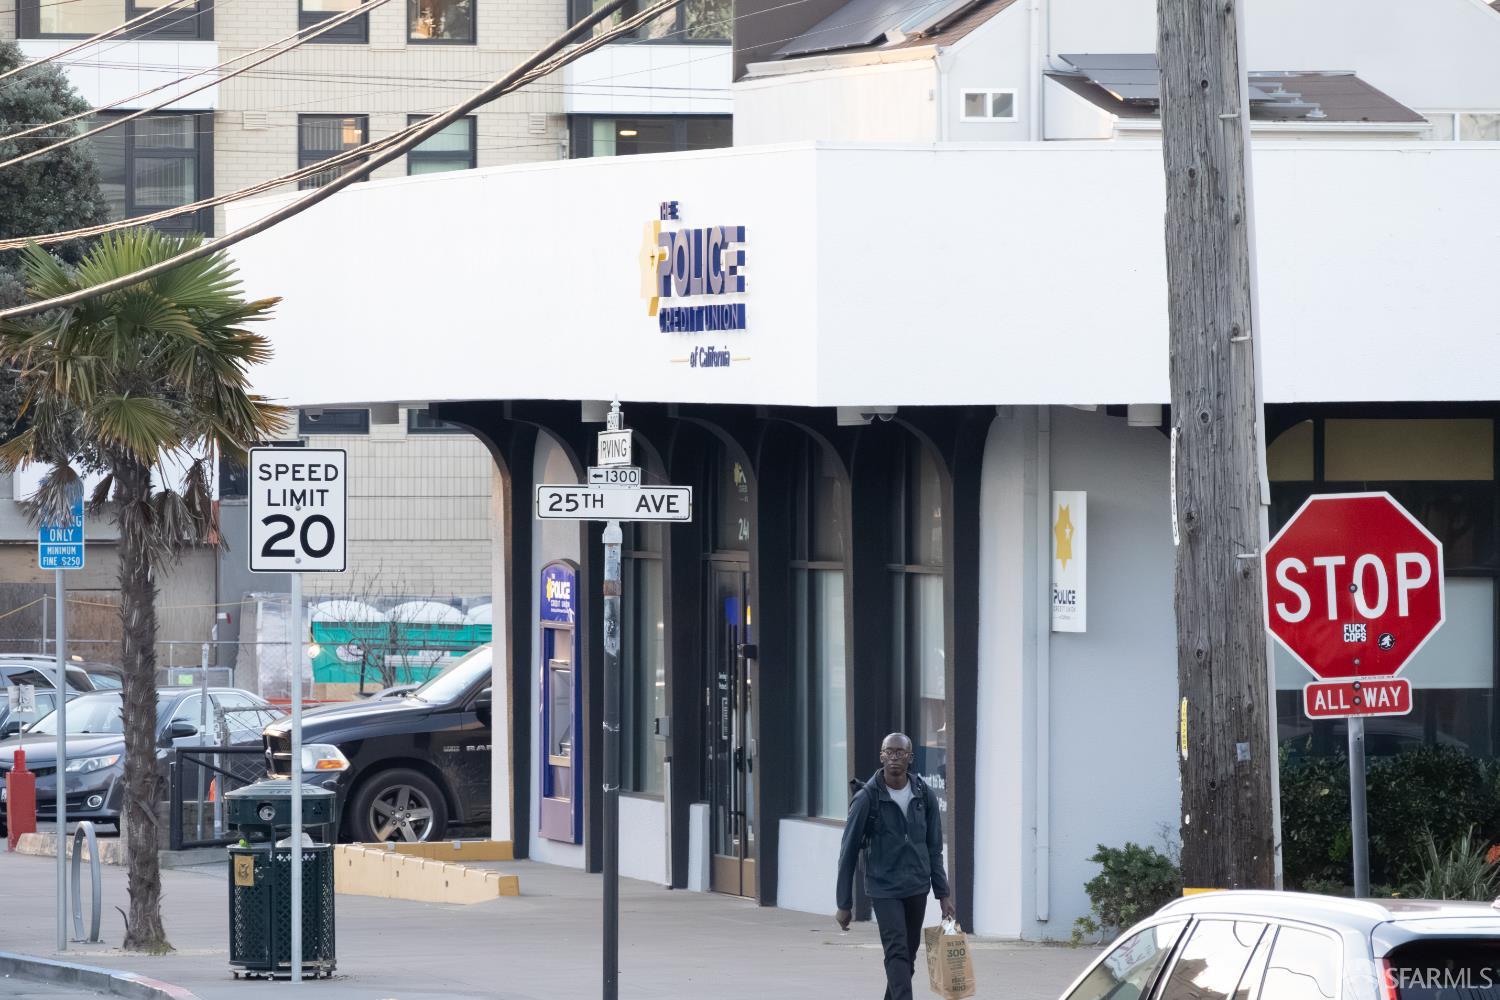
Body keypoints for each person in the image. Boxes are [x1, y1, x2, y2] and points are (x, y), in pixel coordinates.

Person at [835, 732, 955, 1000]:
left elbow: (934, 848)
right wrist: (844, 903)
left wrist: (943, 894)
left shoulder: (924, 795)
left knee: (908, 957)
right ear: (881, 756)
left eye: (900, 752)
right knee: (897, 951)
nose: (894, 757)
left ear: (910, 757)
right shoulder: (867, 798)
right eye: (889, 752)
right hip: (884, 888)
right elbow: (848, 852)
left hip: (916, 886)